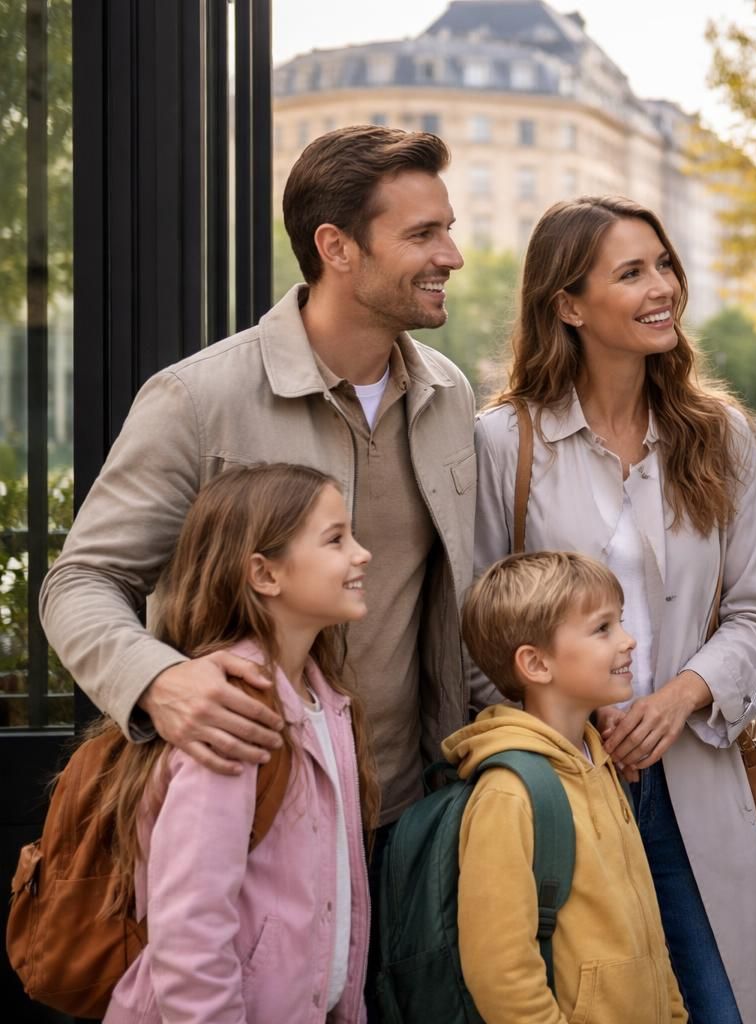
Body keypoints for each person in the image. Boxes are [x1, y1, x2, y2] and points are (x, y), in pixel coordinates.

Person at [39, 124, 488, 996]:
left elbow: (452, 592)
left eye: (449, 228)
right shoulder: (198, 398)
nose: (452, 255)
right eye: (423, 234)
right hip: (257, 824)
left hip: (414, 811)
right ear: (336, 248)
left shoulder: (448, 393)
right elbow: (81, 580)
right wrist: (158, 684)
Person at [473, 195, 756, 1023]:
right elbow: (476, 632)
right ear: (568, 304)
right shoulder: (503, 445)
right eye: (631, 273)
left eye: (663, 265)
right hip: (565, 789)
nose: (662, 287)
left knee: (725, 1003)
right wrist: (564, 737)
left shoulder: (716, 433)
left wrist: (678, 697)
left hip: (692, 768)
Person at [100, 463, 376, 1022]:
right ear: (264, 574)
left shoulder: (327, 704)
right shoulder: (233, 715)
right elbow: (190, 938)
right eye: (336, 539)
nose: (362, 553)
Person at [449, 550, 687, 1023]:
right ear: (536, 664)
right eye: (603, 629)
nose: (628, 641)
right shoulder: (509, 793)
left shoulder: (597, 758)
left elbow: (647, 929)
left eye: (618, 623)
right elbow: (501, 971)